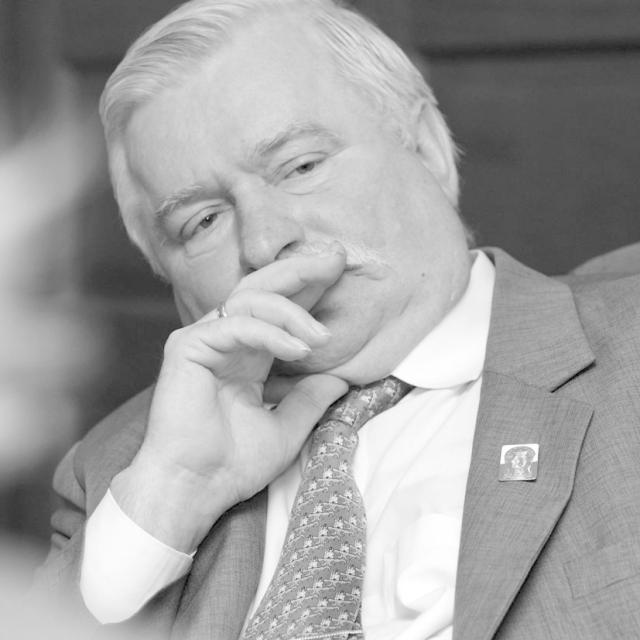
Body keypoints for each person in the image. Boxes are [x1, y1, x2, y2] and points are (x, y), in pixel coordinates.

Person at [34, 1, 640, 638]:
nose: (265, 242)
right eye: (203, 221)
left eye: (301, 166)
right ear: (170, 279)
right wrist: (174, 491)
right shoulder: (119, 470)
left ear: (427, 149)